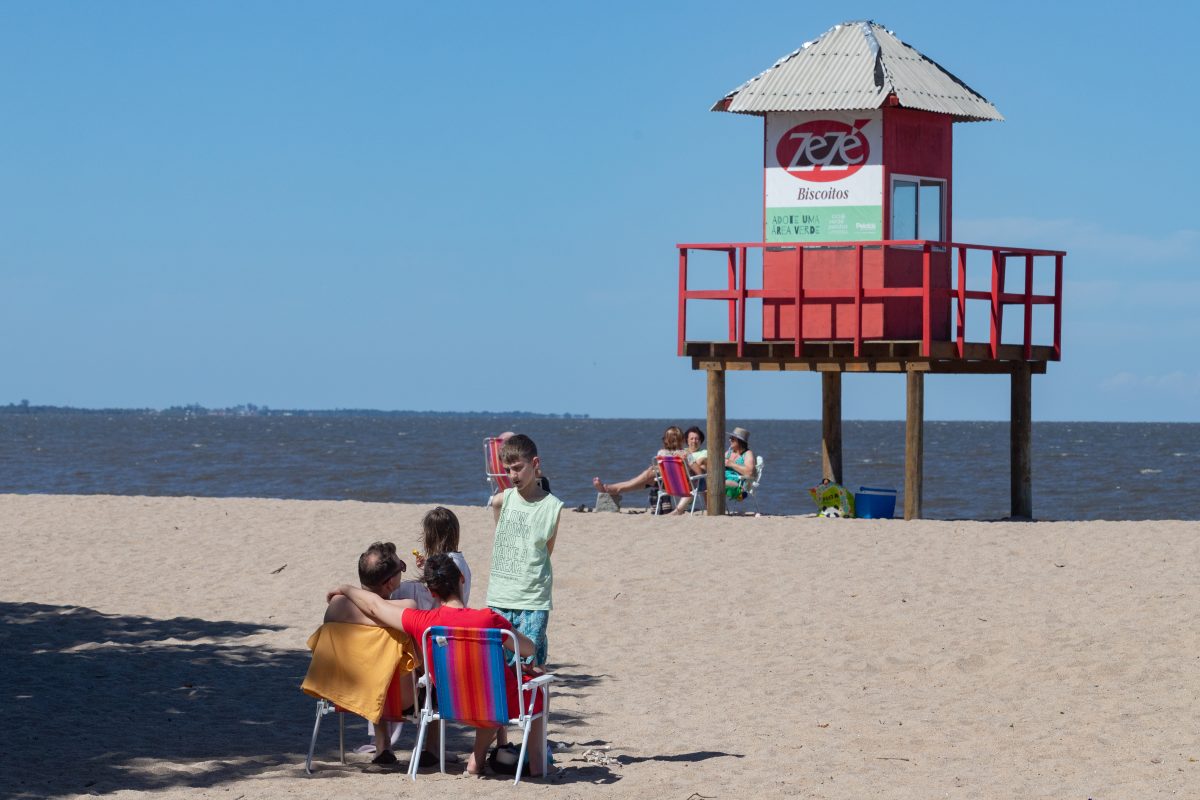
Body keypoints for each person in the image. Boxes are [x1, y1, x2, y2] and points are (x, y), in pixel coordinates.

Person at [327, 554, 547, 777]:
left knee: (484, 690)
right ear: (461, 578)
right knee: (533, 684)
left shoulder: (423, 622)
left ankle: (477, 761)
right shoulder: (488, 619)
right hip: (493, 703)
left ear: (432, 592)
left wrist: (346, 588)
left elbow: (375, 607)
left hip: (449, 702)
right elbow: (528, 649)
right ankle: (536, 765)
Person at [316, 541, 430, 766]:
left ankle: (383, 744)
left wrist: (347, 589)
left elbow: (371, 608)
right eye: (401, 568)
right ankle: (433, 749)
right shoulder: (406, 607)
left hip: (348, 693)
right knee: (427, 675)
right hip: (402, 700)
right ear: (390, 583)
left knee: (373, 663)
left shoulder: (337, 607)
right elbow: (422, 664)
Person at [488, 434, 562, 669]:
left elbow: (546, 551)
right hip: (500, 595)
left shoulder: (552, 507)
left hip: (533, 598)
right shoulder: (500, 502)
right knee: (498, 664)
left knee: (531, 663)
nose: (513, 475)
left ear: (535, 463)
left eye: (518, 468)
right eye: (508, 470)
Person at [392, 506, 473, 609]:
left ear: (431, 537)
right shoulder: (458, 560)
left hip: (442, 615)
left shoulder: (450, 564)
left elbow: (430, 596)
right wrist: (427, 566)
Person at [591, 425, 687, 498]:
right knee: (641, 481)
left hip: (674, 484)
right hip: (670, 483)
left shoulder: (671, 453)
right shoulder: (679, 453)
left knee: (644, 477)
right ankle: (613, 489)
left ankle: (612, 489)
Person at [724, 426, 757, 500]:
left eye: (732, 438)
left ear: (740, 441)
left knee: (717, 484)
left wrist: (731, 464)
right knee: (709, 481)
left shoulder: (747, 454)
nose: (730, 440)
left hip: (738, 484)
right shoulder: (728, 453)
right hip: (724, 479)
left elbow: (750, 473)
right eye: (730, 438)